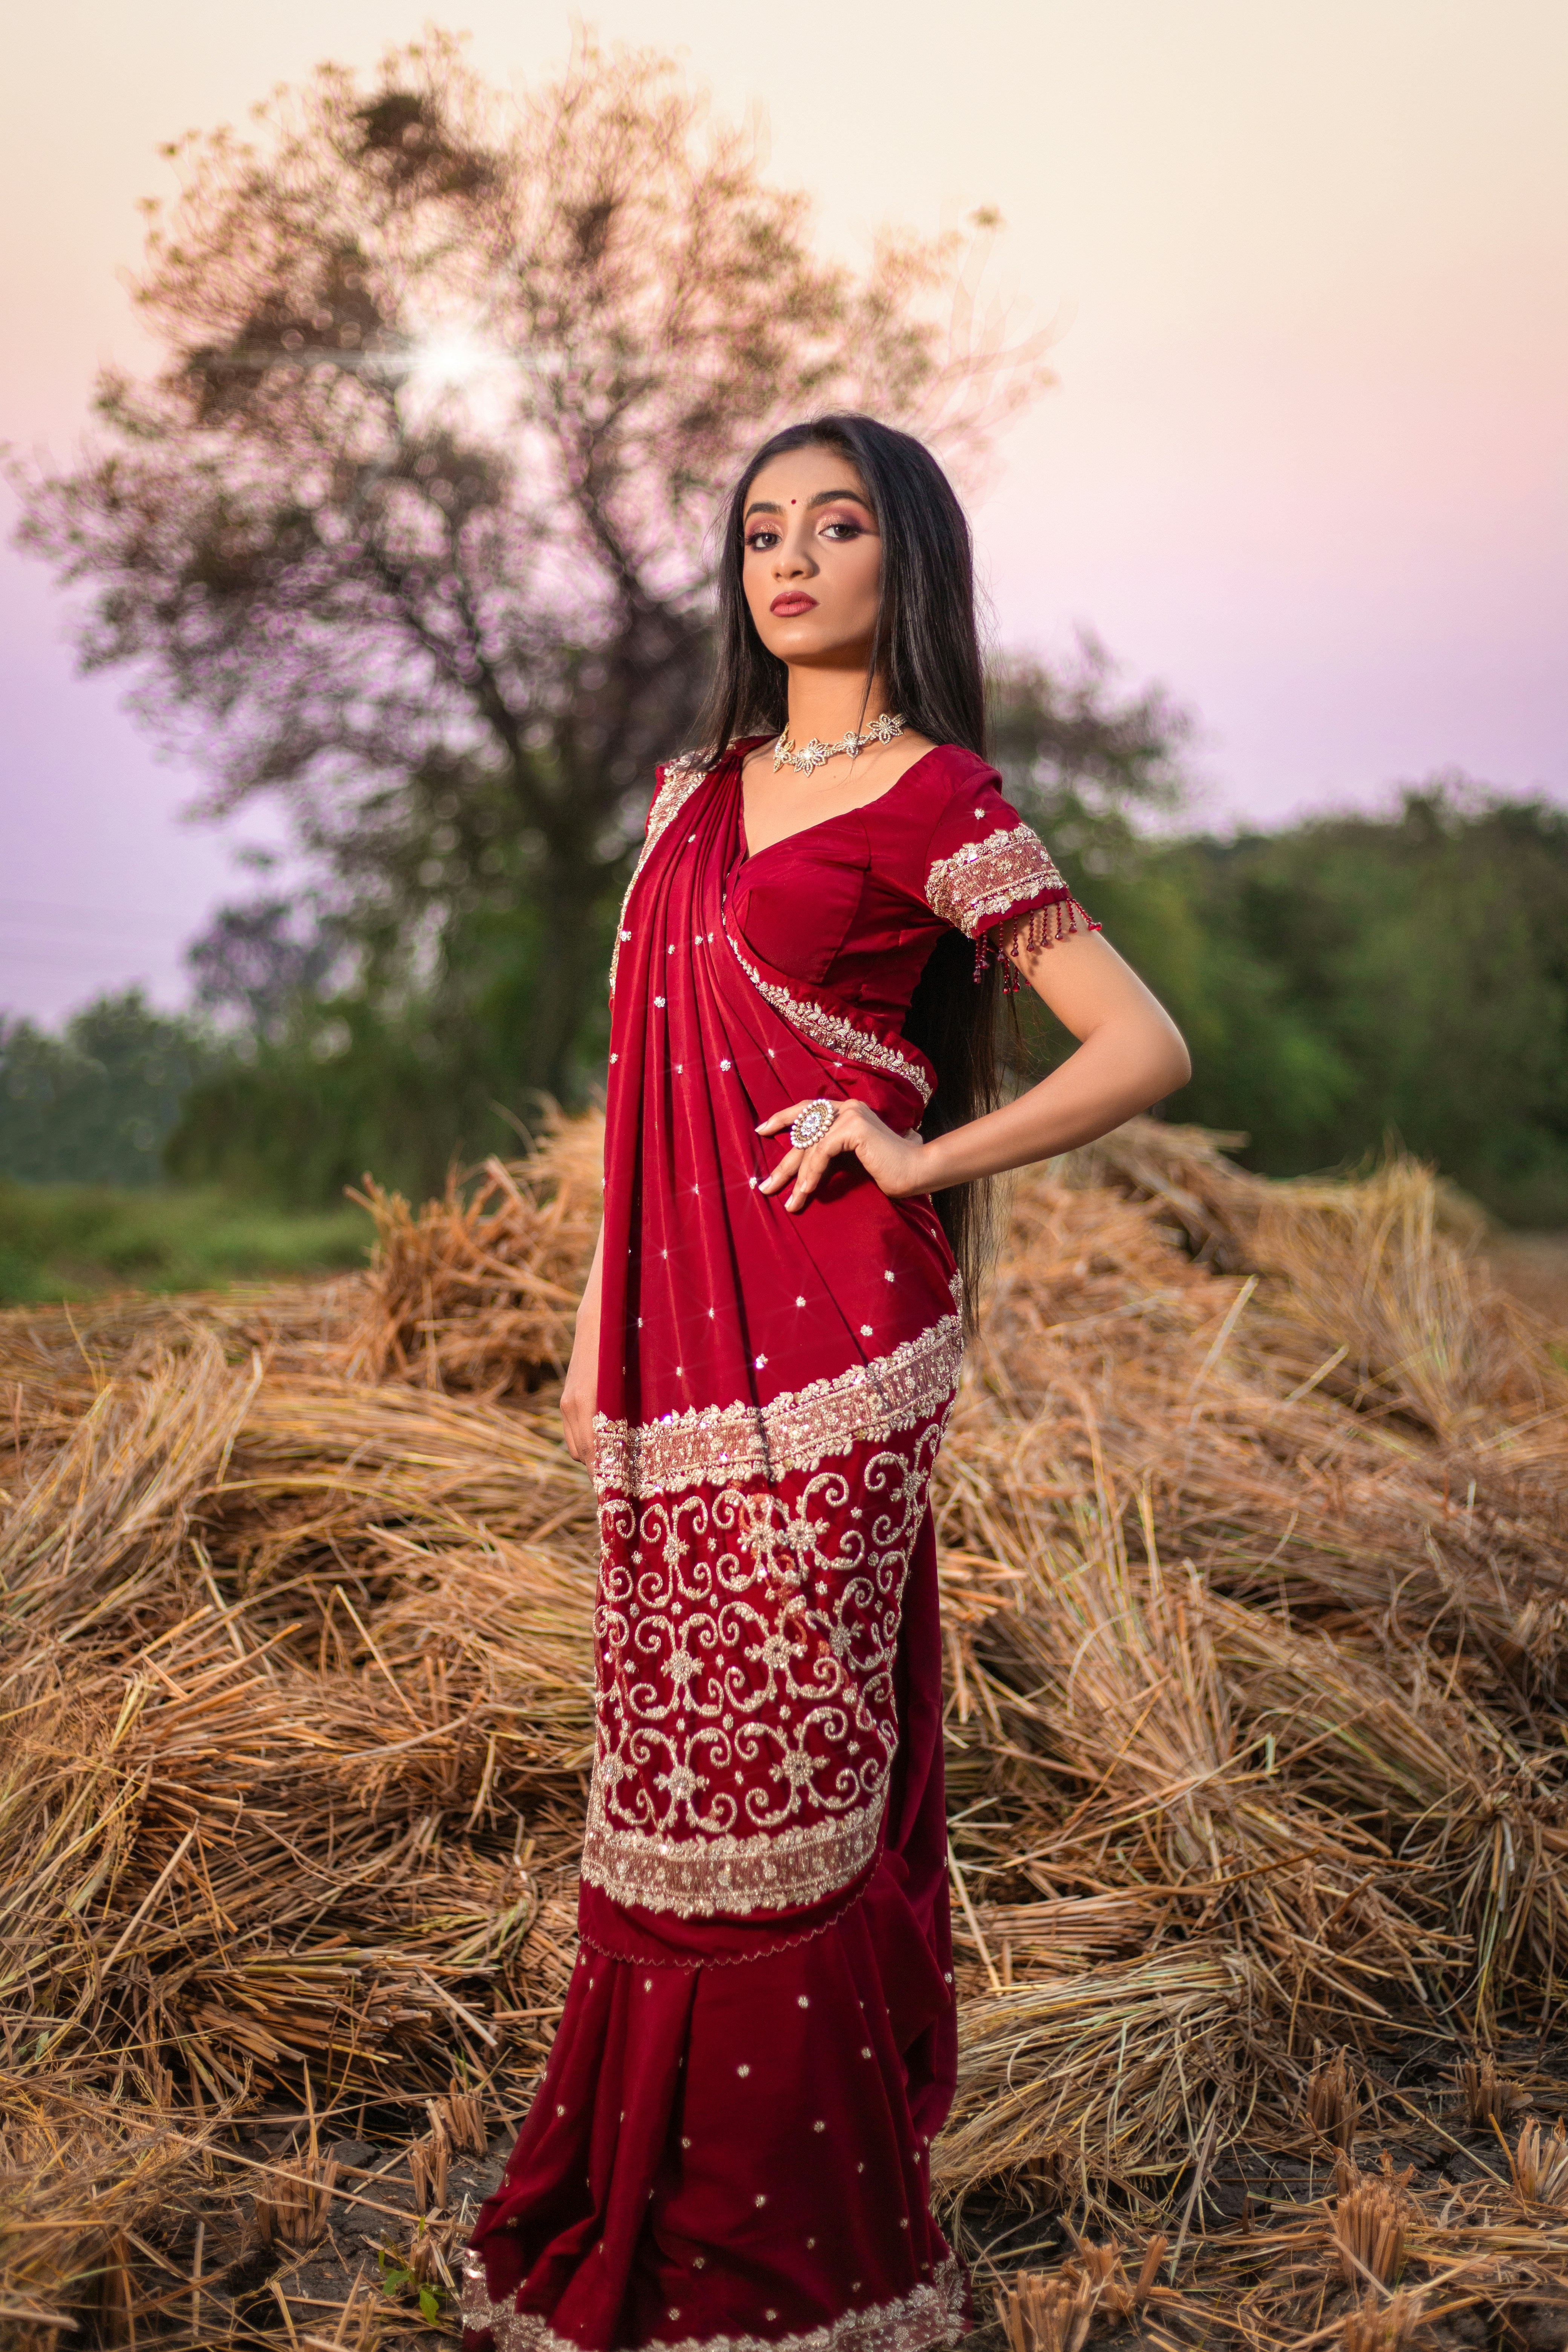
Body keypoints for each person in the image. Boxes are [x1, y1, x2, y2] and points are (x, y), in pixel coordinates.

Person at [463, 415, 1190, 2352]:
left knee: (785, 1784)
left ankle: (800, 2271)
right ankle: (648, 2224)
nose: (789, 558)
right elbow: (643, 1088)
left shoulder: (940, 798)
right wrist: (594, 1309)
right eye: (760, 528)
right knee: (667, 1789)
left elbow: (1139, 1045)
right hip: (665, 1350)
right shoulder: (681, 790)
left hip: (840, 1348)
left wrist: (919, 1158)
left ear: (905, 559)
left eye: (837, 523)